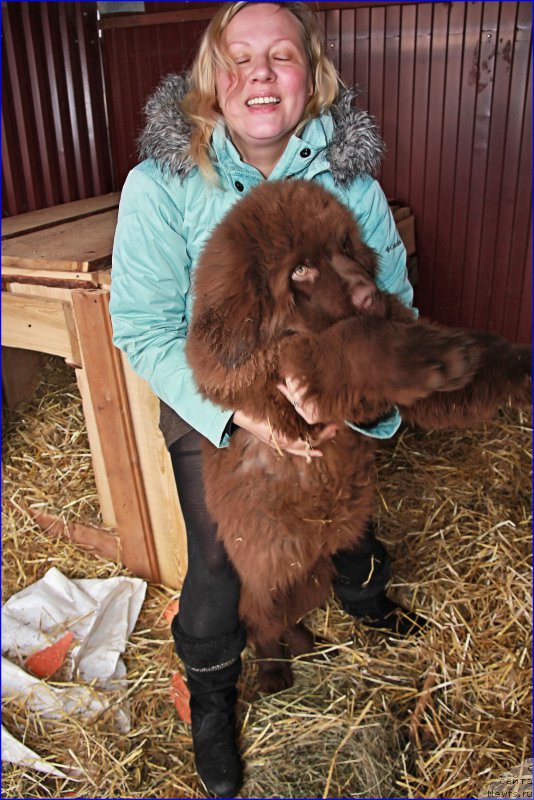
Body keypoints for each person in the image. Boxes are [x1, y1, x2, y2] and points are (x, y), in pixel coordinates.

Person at [110, 3, 424, 796]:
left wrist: (349, 395)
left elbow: (396, 308)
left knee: (346, 508)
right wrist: (242, 412)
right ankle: (213, 701)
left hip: (328, 386)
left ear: (311, 79)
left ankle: (366, 597)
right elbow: (143, 327)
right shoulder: (162, 184)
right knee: (221, 556)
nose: (259, 73)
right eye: (238, 57)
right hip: (216, 391)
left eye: (281, 56)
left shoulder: (353, 185)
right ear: (211, 77)